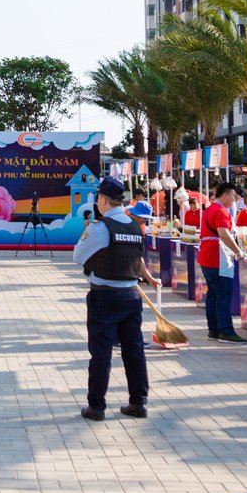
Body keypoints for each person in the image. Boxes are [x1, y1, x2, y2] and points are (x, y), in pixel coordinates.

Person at [72, 177, 157, 421]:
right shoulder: (134, 226)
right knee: (134, 350)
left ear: (103, 200)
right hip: (131, 295)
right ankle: (138, 403)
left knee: (101, 352)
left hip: (105, 296)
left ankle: (96, 406)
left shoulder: (101, 227)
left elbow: (78, 256)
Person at [197, 183, 247, 343]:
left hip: (207, 257)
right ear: (225, 195)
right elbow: (224, 234)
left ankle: (214, 330)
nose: (234, 200)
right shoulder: (220, 211)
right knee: (223, 295)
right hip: (217, 258)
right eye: (233, 196)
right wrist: (238, 251)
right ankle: (225, 330)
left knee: (213, 294)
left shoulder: (209, 210)